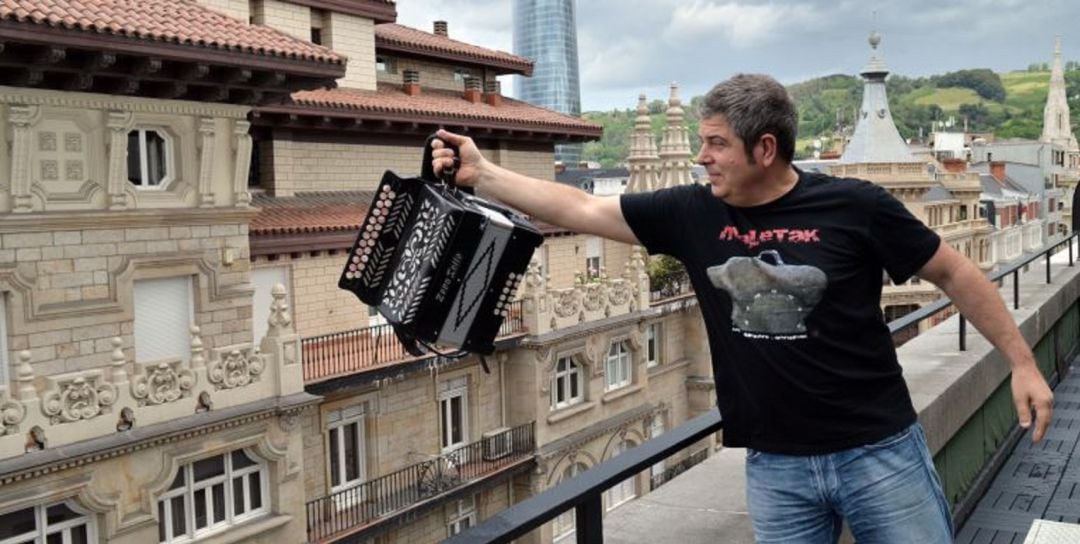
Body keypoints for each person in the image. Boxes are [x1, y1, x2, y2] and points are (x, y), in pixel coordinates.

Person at [430, 73, 1053, 543]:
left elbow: (955, 271)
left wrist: (1021, 363)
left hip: (878, 451)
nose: (703, 156)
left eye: (716, 144)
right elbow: (582, 209)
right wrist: (483, 174)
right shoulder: (693, 212)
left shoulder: (854, 206)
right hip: (775, 465)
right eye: (700, 142)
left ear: (765, 148)